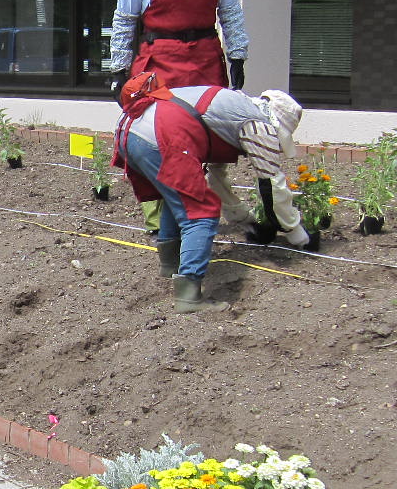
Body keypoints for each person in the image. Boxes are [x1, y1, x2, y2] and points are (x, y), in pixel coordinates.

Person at [110, 0, 253, 231]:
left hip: (204, 56)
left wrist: (237, 54)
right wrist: (118, 67)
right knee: (158, 135)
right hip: (160, 61)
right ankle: (161, 219)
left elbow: (230, 9)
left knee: (208, 133)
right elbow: (125, 17)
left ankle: (206, 203)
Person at [116, 74, 314, 314]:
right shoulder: (258, 126)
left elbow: (216, 179)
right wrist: (297, 233)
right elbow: (272, 186)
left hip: (130, 131)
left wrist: (246, 221)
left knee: (178, 196)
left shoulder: (232, 109)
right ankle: (189, 297)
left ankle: (171, 266)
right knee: (200, 213)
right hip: (162, 135)